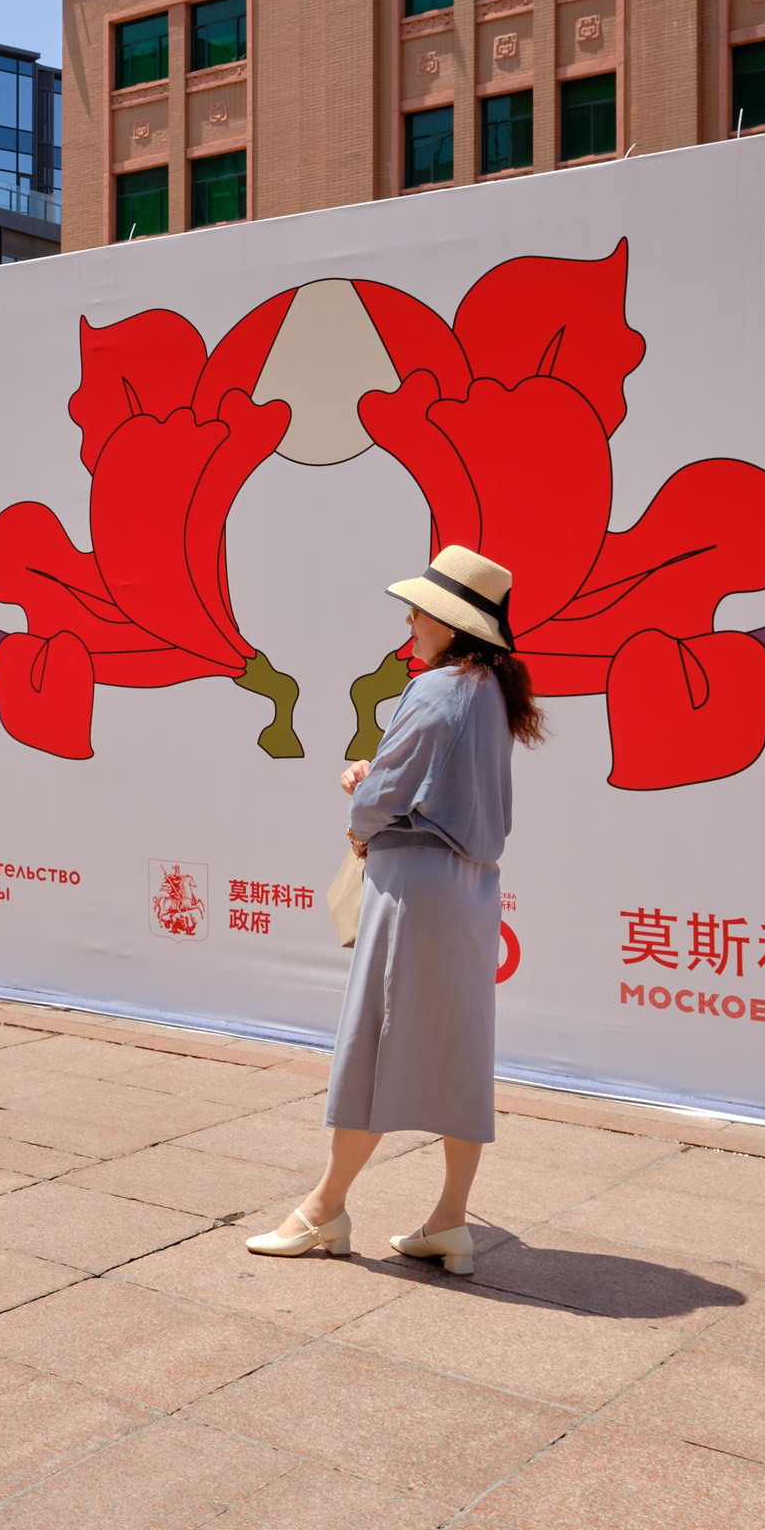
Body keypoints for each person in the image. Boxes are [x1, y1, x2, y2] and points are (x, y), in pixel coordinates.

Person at [248, 546, 544, 1275]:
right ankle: (450, 1221)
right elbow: (428, 783)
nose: (409, 619)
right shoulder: (488, 691)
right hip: (471, 890)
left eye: (418, 609)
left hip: (413, 883)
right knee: (460, 1049)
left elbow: (381, 799)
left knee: (372, 1043)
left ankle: (325, 1208)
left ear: (449, 620)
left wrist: (361, 800)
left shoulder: (438, 688)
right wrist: (376, 784)